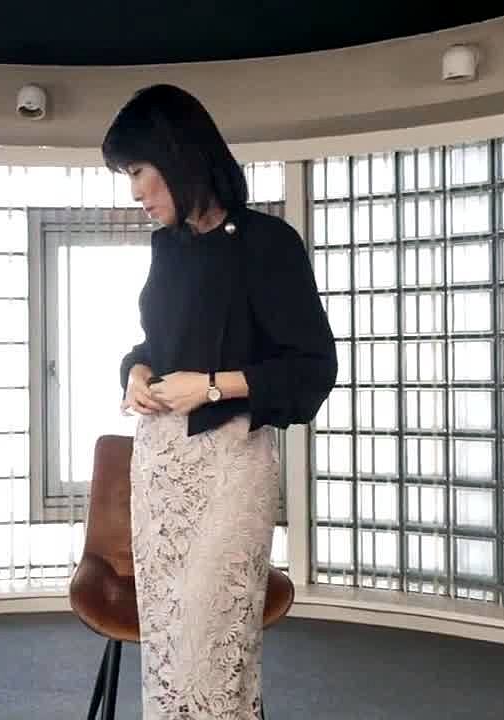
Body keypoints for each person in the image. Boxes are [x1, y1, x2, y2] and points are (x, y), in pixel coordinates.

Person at [102, 83, 337, 719]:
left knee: (211, 651)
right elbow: (158, 344)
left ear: (176, 156)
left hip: (231, 467)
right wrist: (136, 370)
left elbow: (312, 369)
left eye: (139, 171)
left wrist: (211, 385)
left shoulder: (268, 243)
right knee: (168, 651)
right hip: (161, 470)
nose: (135, 192)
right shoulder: (168, 247)